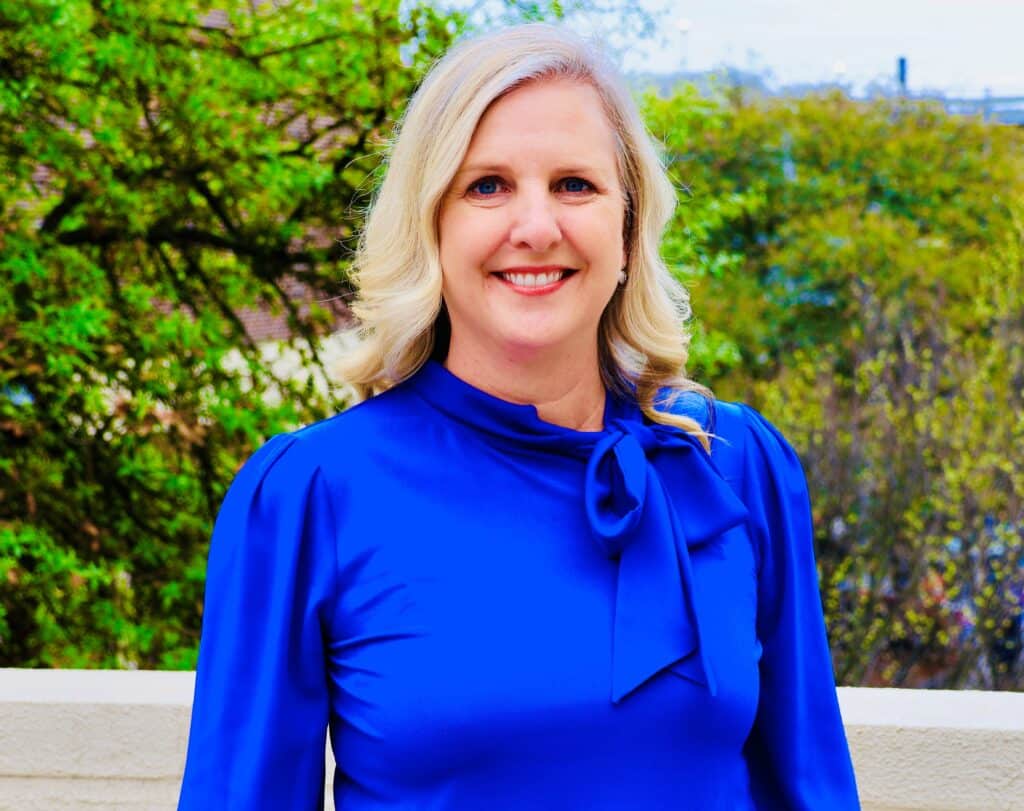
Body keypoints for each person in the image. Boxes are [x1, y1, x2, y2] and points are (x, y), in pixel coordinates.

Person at [178, 22, 860, 810]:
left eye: (575, 184)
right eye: (487, 185)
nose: (536, 227)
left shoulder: (734, 463)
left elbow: (811, 788)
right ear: (431, 225)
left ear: (630, 231)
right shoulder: (310, 496)